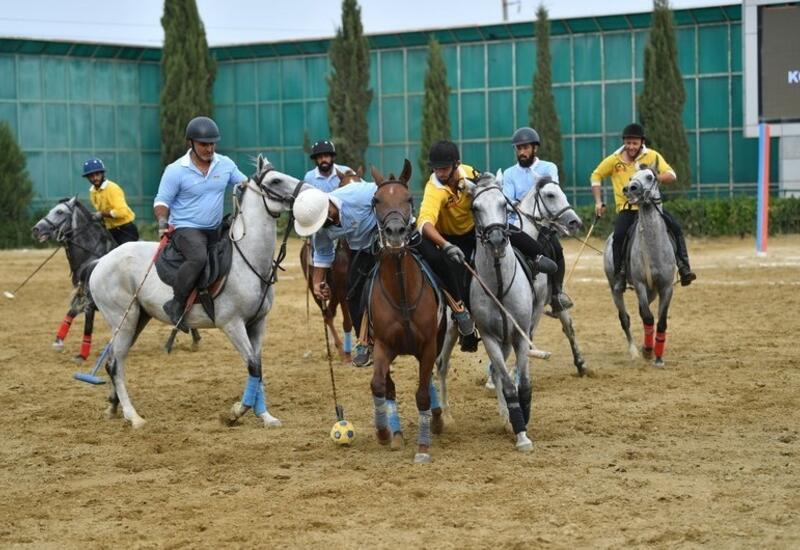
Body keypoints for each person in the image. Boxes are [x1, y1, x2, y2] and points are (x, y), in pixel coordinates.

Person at [416, 140, 557, 352]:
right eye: (436, 169)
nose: (441, 173)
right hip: (451, 239)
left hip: (476, 230)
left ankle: (537, 256)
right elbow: (425, 223)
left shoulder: (469, 172)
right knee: (457, 275)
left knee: (508, 230)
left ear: (456, 164)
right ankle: (465, 322)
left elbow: (487, 189)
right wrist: (445, 245)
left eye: (444, 168)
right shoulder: (434, 189)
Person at [153, 116, 248, 331]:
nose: (209, 148)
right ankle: (176, 303)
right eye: (204, 144)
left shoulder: (225, 164)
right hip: (186, 228)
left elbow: (245, 184)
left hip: (214, 228)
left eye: (212, 143)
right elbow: (161, 201)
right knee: (198, 257)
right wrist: (162, 222)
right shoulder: (175, 170)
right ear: (191, 144)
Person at [591, 123, 697, 292]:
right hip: (627, 209)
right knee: (618, 237)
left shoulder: (652, 156)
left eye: (634, 143)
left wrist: (657, 176)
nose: (631, 146)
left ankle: (684, 267)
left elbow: (672, 175)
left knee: (675, 228)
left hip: (651, 209)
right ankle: (620, 275)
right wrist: (598, 201)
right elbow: (595, 175)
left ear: (641, 142)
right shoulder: (614, 160)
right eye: (628, 143)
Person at [292, 180, 378, 368]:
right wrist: (316, 282)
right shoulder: (322, 228)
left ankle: (456, 309)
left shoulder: (359, 193)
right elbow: (322, 253)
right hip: (360, 251)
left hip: (388, 241)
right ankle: (363, 342)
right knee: (352, 294)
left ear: (328, 210)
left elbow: (389, 193)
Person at [502, 126, 573, 315]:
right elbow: (507, 199)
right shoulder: (509, 174)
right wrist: (518, 203)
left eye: (525, 148)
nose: (522, 152)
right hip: (516, 224)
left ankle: (557, 294)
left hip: (543, 224)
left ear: (535, 148)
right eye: (519, 148)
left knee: (556, 249)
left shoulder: (548, 168)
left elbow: (552, 192)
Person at [83, 157, 139, 245]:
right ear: (87, 178)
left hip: (125, 231)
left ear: (102, 174)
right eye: (91, 176)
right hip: (110, 231)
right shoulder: (92, 192)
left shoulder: (112, 188)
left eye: (97, 174)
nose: (95, 178)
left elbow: (122, 212)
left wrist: (102, 214)